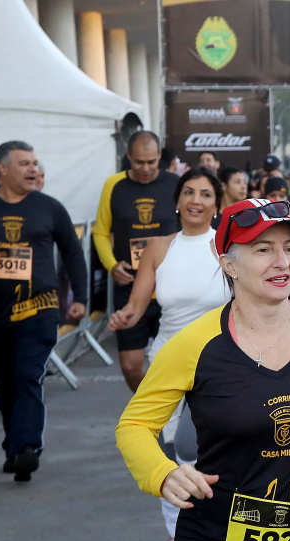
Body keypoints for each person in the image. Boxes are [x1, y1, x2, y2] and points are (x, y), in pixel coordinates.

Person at [116, 197, 290, 541]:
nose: (282, 262)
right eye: (263, 250)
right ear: (229, 264)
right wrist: (163, 472)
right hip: (215, 538)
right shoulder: (195, 343)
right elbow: (135, 425)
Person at [107, 167, 231, 541]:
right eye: (189, 192)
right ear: (176, 201)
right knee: (174, 457)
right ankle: (178, 537)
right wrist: (124, 316)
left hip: (222, 364)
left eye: (206, 194)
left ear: (217, 203)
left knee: (219, 451)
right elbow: (137, 305)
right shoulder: (159, 247)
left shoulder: (227, 248)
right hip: (168, 363)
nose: (196, 201)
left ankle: (223, 530)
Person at [0, 140, 87, 482]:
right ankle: (14, 447)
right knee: (7, 381)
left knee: (28, 374)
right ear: (2, 169)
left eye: (35, 163)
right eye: (24, 163)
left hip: (40, 307)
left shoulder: (49, 207)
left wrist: (81, 297)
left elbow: (73, 252)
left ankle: (28, 448)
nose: (33, 169)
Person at [93, 131, 180, 392]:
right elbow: (100, 232)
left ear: (160, 158)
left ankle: (175, 416)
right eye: (139, 162)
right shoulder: (114, 185)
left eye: (152, 162)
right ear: (128, 157)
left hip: (169, 286)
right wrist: (111, 265)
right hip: (129, 286)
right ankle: (152, 407)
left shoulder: (175, 183)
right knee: (131, 366)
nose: (145, 169)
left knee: (176, 361)